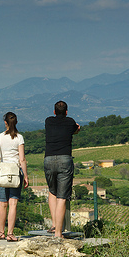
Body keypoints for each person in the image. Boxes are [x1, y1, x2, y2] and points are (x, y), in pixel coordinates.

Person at [0, 112, 29, 242]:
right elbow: (22, 159)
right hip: (15, 171)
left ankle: (1, 233)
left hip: (2, 171)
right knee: (13, 203)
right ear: (16, 122)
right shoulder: (19, 138)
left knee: (3, 204)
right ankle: (10, 234)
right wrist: (25, 175)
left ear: (5, 123)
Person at [44, 101, 80, 238]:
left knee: (52, 192)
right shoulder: (70, 122)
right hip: (65, 159)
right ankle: (58, 233)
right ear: (66, 111)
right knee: (62, 197)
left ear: (54, 111)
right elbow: (75, 130)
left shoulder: (48, 121)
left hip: (48, 159)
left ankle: (53, 225)